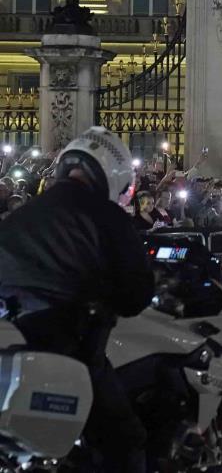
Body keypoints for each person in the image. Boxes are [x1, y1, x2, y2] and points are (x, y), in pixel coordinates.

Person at [0, 127, 154, 472]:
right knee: (125, 439)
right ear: (113, 174)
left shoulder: (21, 214)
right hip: (68, 346)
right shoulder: (107, 217)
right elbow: (135, 294)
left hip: (12, 342)